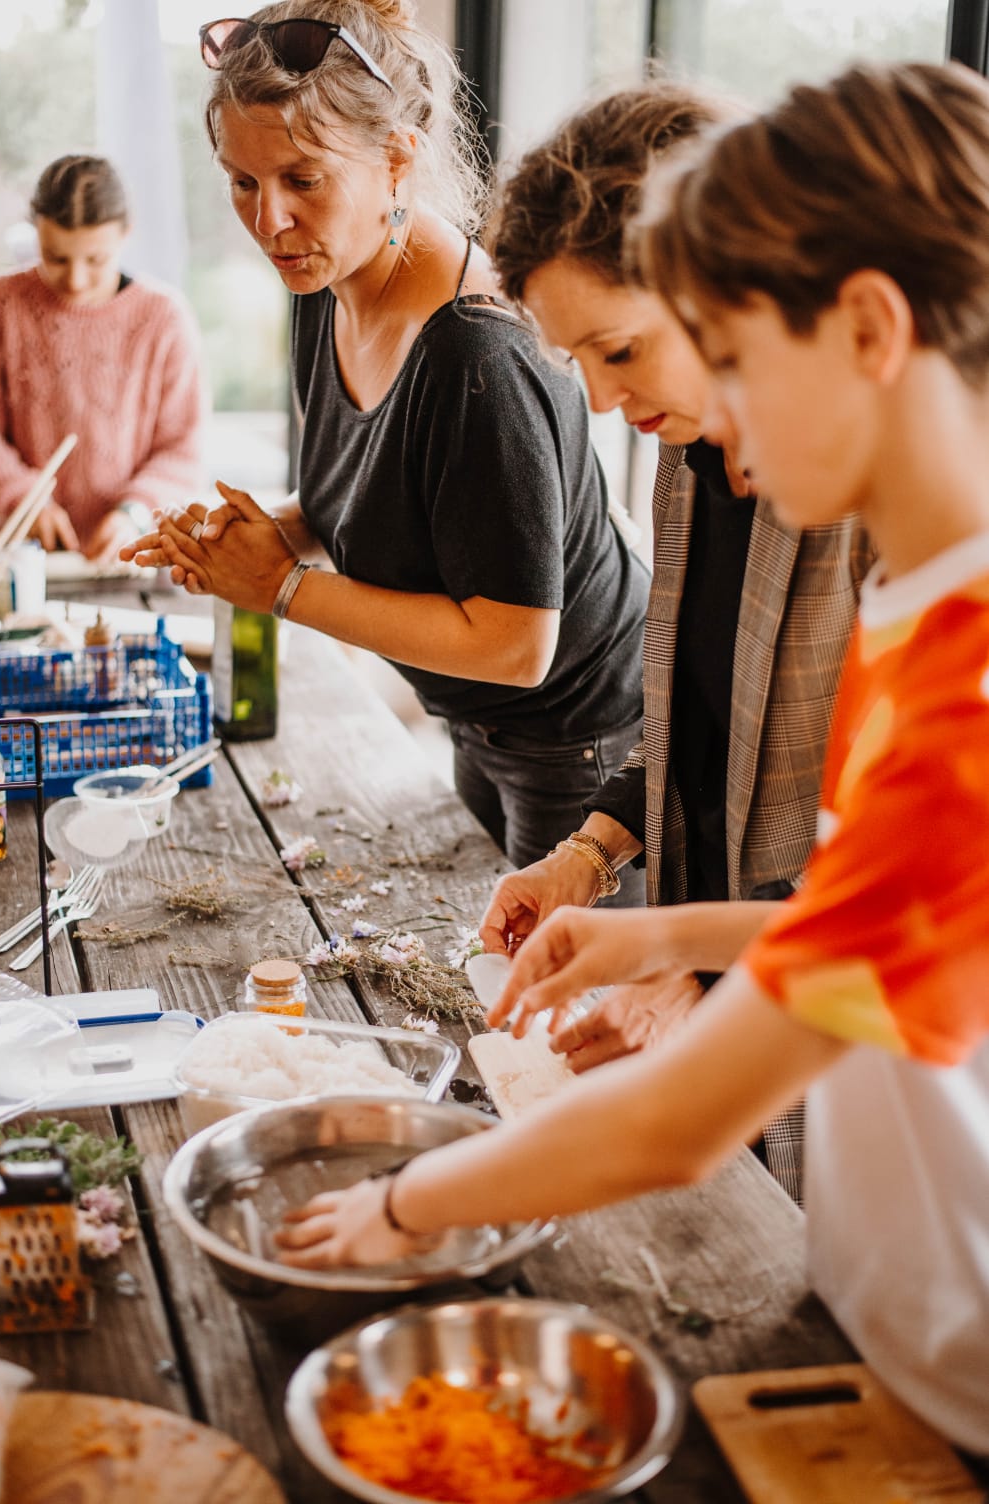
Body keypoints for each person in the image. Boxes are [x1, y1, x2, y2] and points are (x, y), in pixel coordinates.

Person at [272, 61, 989, 1461]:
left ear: (864, 327)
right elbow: (888, 936)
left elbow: (682, 1122)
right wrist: (646, 927)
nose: (708, 412)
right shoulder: (925, 607)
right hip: (889, 1324)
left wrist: (409, 1203)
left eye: (726, 352)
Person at [122, 0, 650, 879]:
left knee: (546, 1006)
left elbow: (516, 645)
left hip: (580, 740)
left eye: (304, 178)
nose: (269, 221)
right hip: (473, 719)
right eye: (242, 182)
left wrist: (282, 587)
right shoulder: (323, 284)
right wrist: (263, 535)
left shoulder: (477, 353)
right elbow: (383, 496)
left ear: (398, 158)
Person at [478, 83, 871, 1196]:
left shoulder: (884, 496)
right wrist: (590, 853)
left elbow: (914, 869)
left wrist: (711, 978)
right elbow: (692, 719)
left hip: (844, 1044)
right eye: (580, 365)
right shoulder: (685, 450)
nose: (603, 401)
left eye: (619, 350)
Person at [0, 155, 204, 565]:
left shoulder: (164, 318)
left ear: (126, 233)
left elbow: (182, 448)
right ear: (36, 236)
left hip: (136, 556)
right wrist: (21, 496)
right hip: (27, 559)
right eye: (56, 257)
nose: (76, 279)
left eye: (95, 260)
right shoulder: (2, 305)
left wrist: (136, 512)